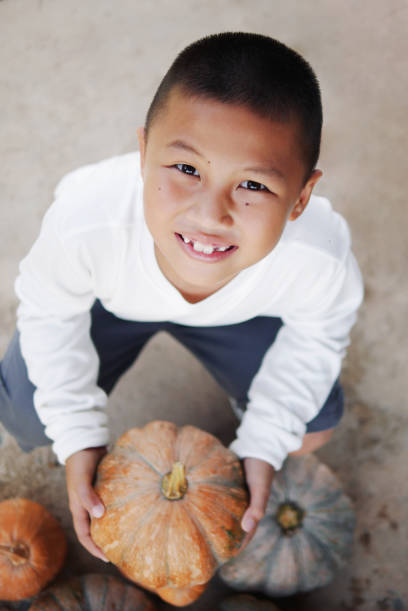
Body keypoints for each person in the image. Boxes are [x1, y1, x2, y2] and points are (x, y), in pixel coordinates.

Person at [0, 32, 363, 562]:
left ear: (302, 197)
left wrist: (263, 442)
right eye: (187, 169)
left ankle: (254, 409)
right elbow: (50, 312)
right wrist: (78, 437)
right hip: (111, 300)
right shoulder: (86, 224)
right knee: (29, 415)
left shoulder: (318, 259)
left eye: (255, 186)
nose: (211, 215)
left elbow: (317, 337)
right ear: (144, 153)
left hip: (242, 309)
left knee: (307, 430)